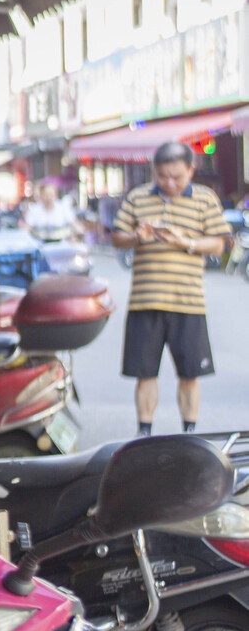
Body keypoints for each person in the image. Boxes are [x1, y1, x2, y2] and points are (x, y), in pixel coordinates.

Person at [111, 142, 231, 437]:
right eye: (163, 176)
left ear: (191, 169)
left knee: (190, 374)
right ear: (155, 171)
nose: (169, 183)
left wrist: (186, 243)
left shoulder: (205, 199)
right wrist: (137, 237)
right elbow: (116, 237)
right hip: (145, 301)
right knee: (145, 374)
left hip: (188, 302)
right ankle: (144, 433)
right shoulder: (138, 197)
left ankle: (189, 433)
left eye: (177, 176)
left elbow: (219, 244)